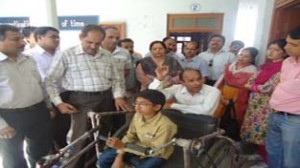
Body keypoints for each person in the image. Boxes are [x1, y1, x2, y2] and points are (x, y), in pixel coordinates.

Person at [44, 24, 131, 167]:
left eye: (97, 43)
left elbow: (117, 79)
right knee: (80, 138)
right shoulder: (67, 54)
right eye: (89, 42)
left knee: (102, 136)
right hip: (80, 100)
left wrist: (118, 96)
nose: (93, 46)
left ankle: (94, 165)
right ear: (81, 37)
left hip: (105, 98)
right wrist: (58, 103)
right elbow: (50, 81)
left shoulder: (107, 56)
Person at [0, 24, 52, 168]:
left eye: (22, 39)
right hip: (10, 117)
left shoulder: (28, 59)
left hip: (38, 112)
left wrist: (48, 107)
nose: (22, 42)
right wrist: (1, 125)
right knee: (13, 158)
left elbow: (40, 84)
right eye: (15, 39)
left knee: (41, 154)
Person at [98, 89, 177, 168]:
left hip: (156, 153)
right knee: (104, 158)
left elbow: (156, 150)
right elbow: (130, 135)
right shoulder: (138, 116)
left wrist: (123, 147)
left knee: (144, 166)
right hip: (135, 146)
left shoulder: (166, 125)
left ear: (156, 107)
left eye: (143, 104)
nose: (137, 107)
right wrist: (120, 154)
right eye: (136, 103)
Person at [240, 39, 287, 162]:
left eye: (276, 50)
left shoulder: (283, 68)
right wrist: (254, 86)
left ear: (284, 52)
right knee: (254, 126)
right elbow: (250, 80)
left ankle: (266, 158)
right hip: (256, 103)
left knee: (265, 130)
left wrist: (254, 87)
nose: (271, 52)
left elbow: (269, 87)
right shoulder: (265, 66)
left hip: (267, 104)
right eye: (270, 48)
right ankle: (257, 153)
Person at [266, 26, 300, 168]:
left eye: (293, 44)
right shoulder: (287, 61)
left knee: (291, 160)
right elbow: (284, 86)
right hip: (275, 113)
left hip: (294, 119)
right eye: (287, 42)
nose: (286, 47)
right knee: (273, 153)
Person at [149, 67, 220, 115]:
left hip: (203, 126)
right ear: (182, 82)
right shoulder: (177, 88)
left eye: (199, 79)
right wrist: (159, 79)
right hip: (180, 122)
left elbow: (205, 111)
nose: (197, 83)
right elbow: (153, 94)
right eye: (191, 81)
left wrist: (172, 106)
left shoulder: (213, 91)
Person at [215, 47, 258, 125]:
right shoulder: (230, 66)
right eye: (241, 54)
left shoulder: (253, 70)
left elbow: (248, 88)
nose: (242, 57)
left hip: (239, 97)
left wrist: (233, 101)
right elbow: (221, 81)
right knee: (218, 116)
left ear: (251, 59)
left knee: (234, 116)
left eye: (246, 56)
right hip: (223, 93)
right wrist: (219, 95)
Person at [118, 38, 142, 104]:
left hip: (133, 91)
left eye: (131, 47)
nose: (130, 49)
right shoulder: (116, 60)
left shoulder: (137, 59)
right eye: (126, 47)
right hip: (120, 92)